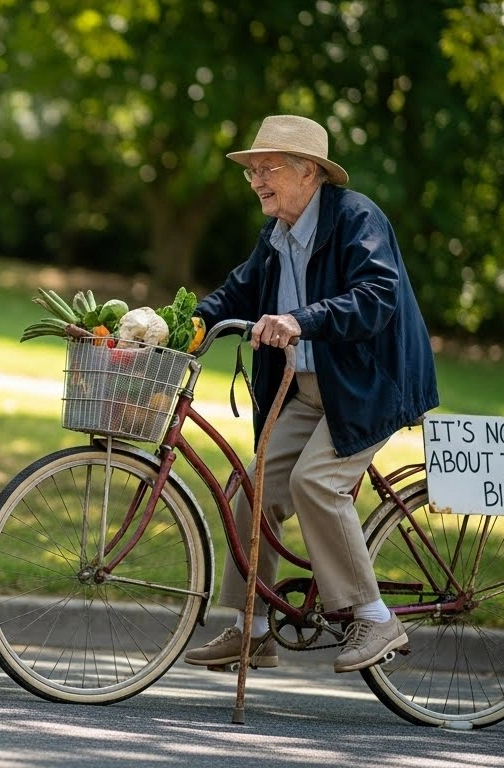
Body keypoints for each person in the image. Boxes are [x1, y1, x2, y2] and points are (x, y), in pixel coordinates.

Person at [185, 114, 439, 674]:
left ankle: (374, 617)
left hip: (369, 384)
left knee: (315, 483)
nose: (257, 180)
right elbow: (238, 291)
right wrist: (187, 326)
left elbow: (377, 296)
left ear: (309, 172)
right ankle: (253, 630)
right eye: (252, 171)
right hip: (307, 389)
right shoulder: (277, 235)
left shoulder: (356, 218)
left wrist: (302, 320)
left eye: (268, 168)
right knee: (251, 490)